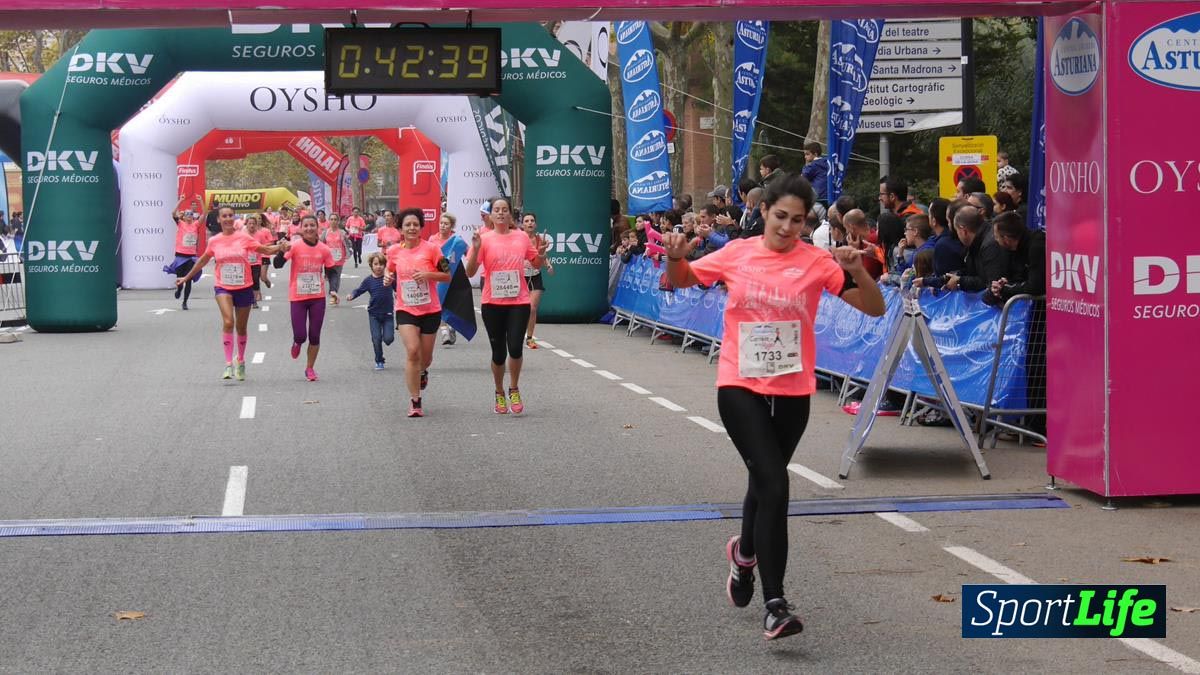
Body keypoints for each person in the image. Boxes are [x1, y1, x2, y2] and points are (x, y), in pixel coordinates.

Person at [662, 173, 885, 641]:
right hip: (739, 383)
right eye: (780, 216)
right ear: (763, 211)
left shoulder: (816, 260)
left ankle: (744, 554)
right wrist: (675, 256)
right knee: (776, 484)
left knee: (764, 481)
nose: (787, 227)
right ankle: (776, 603)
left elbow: (874, 308)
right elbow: (680, 279)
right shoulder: (737, 252)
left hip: (792, 390)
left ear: (807, 224)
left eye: (798, 220)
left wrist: (860, 268)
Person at [175, 206, 283, 380]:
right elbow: (202, 261)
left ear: (234, 218)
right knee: (228, 321)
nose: (227, 218)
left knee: (241, 327)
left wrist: (281, 246)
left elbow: (265, 250)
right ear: (218, 219)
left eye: (230, 216)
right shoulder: (214, 241)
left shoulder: (244, 237)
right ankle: (227, 364)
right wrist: (186, 278)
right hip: (223, 286)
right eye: (224, 216)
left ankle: (240, 360)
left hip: (243, 286)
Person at [464, 197, 550, 415]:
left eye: (504, 210)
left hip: (519, 301)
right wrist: (474, 250)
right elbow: (470, 272)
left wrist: (540, 255)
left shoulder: (521, 237)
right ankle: (499, 391)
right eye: (496, 210)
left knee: (515, 347)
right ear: (490, 215)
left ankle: (514, 388)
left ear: (511, 214)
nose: (501, 213)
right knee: (498, 353)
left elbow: (535, 262)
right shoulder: (483, 239)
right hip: (492, 302)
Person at [384, 208, 452, 417]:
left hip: (430, 309)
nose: (412, 228)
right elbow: (389, 269)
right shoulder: (394, 251)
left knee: (426, 358)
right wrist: (387, 277)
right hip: (406, 309)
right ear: (401, 229)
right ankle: (415, 401)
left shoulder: (432, 249)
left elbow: (447, 274)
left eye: (415, 224)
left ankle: (423, 371)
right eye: (407, 225)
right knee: (412, 351)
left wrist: (428, 274)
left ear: (421, 227)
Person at [273, 215, 338, 381]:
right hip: (298, 296)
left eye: (312, 225)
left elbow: (331, 271)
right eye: (306, 226)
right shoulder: (295, 246)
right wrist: (282, 251)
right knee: (301, 335)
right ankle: (297, 343)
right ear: (301, 229)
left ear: (318, 228)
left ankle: (310, 368)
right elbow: (278, 264)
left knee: (315, 335)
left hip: (317, 297)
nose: (309, 229)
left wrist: (333, 290)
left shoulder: (324, 249)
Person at [346, 252, 396, 370]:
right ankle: (379, 360)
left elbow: (398, 287)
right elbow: (359, 290)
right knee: (376, 338)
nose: (379, 267)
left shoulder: (389, 278)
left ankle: (387, 339)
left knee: (388, 339)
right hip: (374, 314)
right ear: (371, 265)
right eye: (376, 264)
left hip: (388, 313)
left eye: (381, 264)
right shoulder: (368, 281)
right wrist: (352, 295)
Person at [945, 206, 1009, 293]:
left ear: (964, 231)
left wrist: (960, 280)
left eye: (957, 231)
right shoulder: (976, 243)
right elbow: (975, 273)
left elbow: (991, 283)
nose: (958, 236)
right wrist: (957, 276)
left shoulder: (990, 245)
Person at [429, 213, 468, 345]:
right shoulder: (432, 239)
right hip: (439, 276)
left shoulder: (456, 239)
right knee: (440, 304)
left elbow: (468, 253)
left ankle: (452, 326)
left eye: (446, 224)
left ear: (451, 226)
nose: (443, 226)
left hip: (455, 276)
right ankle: (444, 331)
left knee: (453, 303)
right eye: (441, 223)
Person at [520, 212, 554, 349]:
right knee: (519, 309)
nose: (529, 223)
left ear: (536, 224)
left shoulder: (540, 239)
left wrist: (549, 265)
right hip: (520, 277)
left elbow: (543, 256)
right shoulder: (519, 238)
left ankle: (529, 338)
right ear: (522, 224)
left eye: (532, 220)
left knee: (532, 308)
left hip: (535, 276)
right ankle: (515, 332)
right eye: (527, 221)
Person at [169, 210, 207, 311]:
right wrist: (181, 200)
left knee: (189, 281)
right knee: (180, 281)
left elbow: (204, 213)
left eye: (191, 215)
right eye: (187, 215)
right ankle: (179, 290)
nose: (189, 216)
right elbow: (173, 213)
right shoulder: (180, 224)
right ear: (184, 217)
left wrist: (201, 202)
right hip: (180, 256)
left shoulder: (196, 225)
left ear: (193, 217)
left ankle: (185, 302)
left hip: (191, 258)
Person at [322, 213, 350, 306]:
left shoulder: (342, 232)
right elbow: (321, 244)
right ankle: (333, 292)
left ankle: (333, 293)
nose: (333, 221)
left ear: (338, 221)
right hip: (328, 258)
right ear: (329, 221)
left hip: (339, 258)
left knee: (336, 276)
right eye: (331, 219)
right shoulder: (325, 232)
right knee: (330, 276)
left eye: (335, 219)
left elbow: (347, 243)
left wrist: (347, 252)